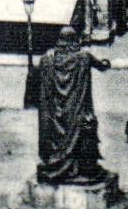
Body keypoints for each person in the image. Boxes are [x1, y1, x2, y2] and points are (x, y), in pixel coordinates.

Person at [35, 27, 111, 185]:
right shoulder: (83, 57)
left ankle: (59, 165)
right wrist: (107, 62)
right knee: (83, 130)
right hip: (76, 110)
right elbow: (103, 65)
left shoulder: (48, 58)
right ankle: (77, 169)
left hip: (56, 114)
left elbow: (38, 73)